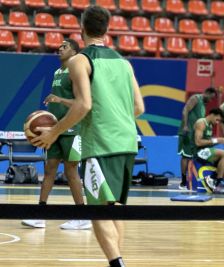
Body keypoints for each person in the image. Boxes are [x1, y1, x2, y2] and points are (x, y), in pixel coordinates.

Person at [32, 6, 145, 267]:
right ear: (107, 29)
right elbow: (139, 108)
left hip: (100, 144)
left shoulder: (79, 61)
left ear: (82, 29)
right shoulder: (124, 63)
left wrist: (54, 132)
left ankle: (117, 264)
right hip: (127, 143)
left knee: (97, 210)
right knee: (114, 208)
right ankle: (120, 262)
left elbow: (83, 105)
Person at [22, 39, 92, 230]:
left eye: (65, 46)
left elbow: (82, 102)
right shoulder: (57, 72)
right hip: (55, 129)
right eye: (59, 46)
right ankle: (40, 215)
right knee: (49, 170)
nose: (60, 48)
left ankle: (82, 216)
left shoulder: (76, 72)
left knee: (71, 172)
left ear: (75, 52)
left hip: (71, 129)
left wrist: (59, 98)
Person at [177, 87, 218, 190]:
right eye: (211, 97)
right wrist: (185, 126)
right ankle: (183, 182)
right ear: (207, 93)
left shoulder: (203, 106)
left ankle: (191, 180)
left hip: (194, 135)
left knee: (192, 156)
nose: (211, 100)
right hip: (187, 132)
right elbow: (185, 110)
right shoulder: (195, 98)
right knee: (185, 156)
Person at [193, 108, 224, 194]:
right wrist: (217, 140)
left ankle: (212, 178)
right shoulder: (201, 123)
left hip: (206, 151)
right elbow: (198, 142)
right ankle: (217, 184)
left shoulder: (210, 126)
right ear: (213, 115)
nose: (217, 123)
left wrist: (221, 141)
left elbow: (208, 143)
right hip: (198, 153)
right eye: (217, 120)